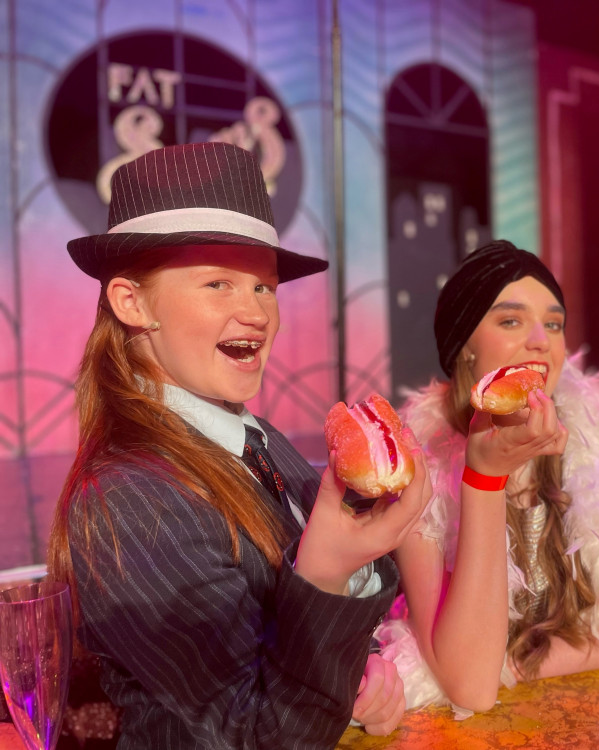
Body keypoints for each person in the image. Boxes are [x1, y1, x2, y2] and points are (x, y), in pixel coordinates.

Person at [47, 141, 431, 748]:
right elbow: (254, 733)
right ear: (131, 301)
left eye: (264, 288)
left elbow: (331, 627)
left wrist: (363, 669)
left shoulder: (253, 439)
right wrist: (326, 573)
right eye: (218, 283)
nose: (255, 313)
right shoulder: (128, 501)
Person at [370, 240, 599, 724]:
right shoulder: (417, 469)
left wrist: (516, 667)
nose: (541, 340)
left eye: (553, 323)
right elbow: (472, 686)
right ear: (464, 349)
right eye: (511, 321)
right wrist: (484, 478)